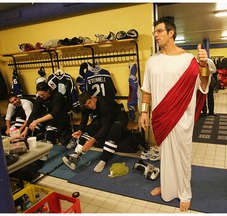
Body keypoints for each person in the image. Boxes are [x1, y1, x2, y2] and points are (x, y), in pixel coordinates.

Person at [140, 17, 212, 212]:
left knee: (182, 156)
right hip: (161, 117)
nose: (156, 35)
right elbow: (147, 90)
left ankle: (184, 192)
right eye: (155, 32)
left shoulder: (188, 59)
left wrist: (204, 63)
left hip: (182, 117)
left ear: (171, 33)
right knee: (164, 154)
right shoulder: (152, 61)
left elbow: (203, 85)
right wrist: (144, 112)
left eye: (159, 31)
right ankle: (168, 187)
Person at [62, 91, 128, 173]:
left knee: (114, 132)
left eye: (90, 103)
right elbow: (84, 120)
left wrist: (92, 141)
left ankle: (104, 160)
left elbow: (105, 127)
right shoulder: (85, 106)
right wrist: (80, 130)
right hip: (104, 117)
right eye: (87, 106)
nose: (90, 106)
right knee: (90, 128)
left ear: (92, 97)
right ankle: (75, 156)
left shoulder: (103, 103)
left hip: (118, 115)